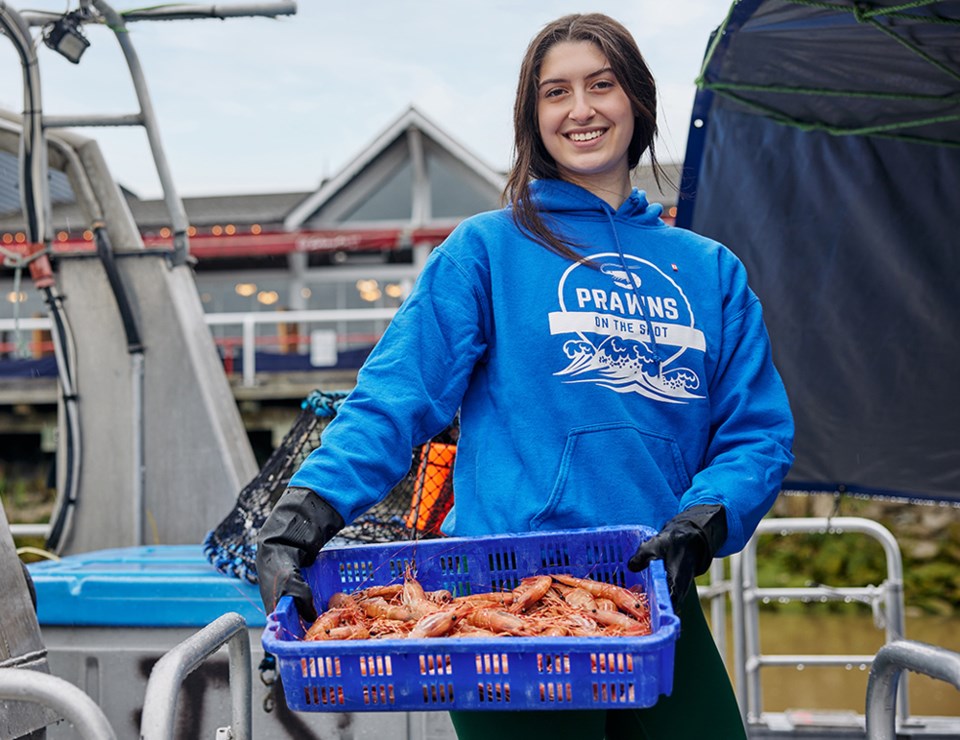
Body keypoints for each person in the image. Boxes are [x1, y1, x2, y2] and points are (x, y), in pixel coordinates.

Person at [257, 12, 794, 739]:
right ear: (531, 116)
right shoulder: (486, 249)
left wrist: (702, 524)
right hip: (502, 615)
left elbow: (756, 435)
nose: (581, 110)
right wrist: (300, 519)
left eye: (601, 85)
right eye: (556, 92)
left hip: (650, 596)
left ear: (635, 100)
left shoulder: (710, 270)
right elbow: (394, 398)